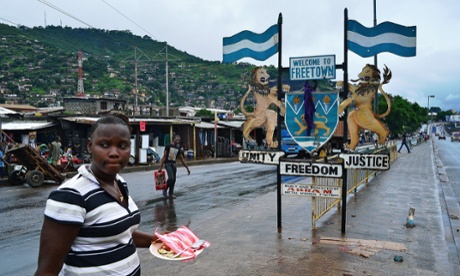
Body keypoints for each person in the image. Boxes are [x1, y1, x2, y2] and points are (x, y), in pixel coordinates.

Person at [35, 114, 157, 275]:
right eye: (104, 145)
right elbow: (47, 271)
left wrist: (160, 241)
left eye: (122, 145)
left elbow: (119, 234)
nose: (114, 153)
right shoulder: (71, 195)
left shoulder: (119, 182)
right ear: (90, 146)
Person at [158, 134, 190, 199]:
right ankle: (165, 188)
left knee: (174, 180)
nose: (178, 141)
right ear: (174, 139)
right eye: (177, 139)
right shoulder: (168, 146)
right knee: (171, 178)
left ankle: (170, 194)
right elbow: (164, 157)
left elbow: (181, 159)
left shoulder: (178, 148)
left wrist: (187, 168)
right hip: (168, 164)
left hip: (174, 165)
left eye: (179, 140)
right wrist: (160, 167)